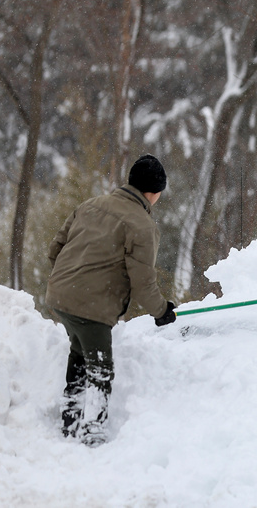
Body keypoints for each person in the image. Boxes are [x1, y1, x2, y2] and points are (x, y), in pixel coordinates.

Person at [45, 154, 177, 446]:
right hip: (92, 307)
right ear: (154, 193)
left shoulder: (91, 205)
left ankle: (70, 418)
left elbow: (55, 249)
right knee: (100, 366)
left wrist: (71, 281)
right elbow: (144, 283)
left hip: (60, 296)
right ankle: (92, 427)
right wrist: (162, 311)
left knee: (80, 351)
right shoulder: (142, 226)